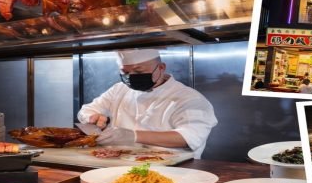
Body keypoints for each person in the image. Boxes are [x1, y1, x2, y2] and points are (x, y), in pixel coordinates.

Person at [77, 49, 218, 159]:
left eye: (139, 71)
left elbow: (189, 137)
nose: (131, 76)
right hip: (119, 165)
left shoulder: (189, 98)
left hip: (175, 170)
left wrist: (133, 136)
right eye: (125, 72)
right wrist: (93, 117)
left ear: (161, 68)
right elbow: (87, 110)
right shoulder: (119, 89)